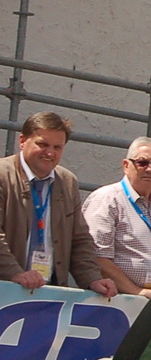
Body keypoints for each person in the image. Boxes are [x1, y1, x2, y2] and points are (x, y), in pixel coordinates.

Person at [0, 113, 116, 297]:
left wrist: (93, 278)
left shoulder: (67, 182)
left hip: (49, 293)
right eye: (42, 144)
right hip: (7, 290)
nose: (50, 153)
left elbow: (80, 240)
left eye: (57, 147)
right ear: (22, 141)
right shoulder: (3, 175)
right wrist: (15, 273)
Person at [82, 137, 151, 296]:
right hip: (117, 300)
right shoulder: (108, 199)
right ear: (126, 165)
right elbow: (96, 256)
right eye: (142, 163)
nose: (150, 169)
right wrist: (136, 291)